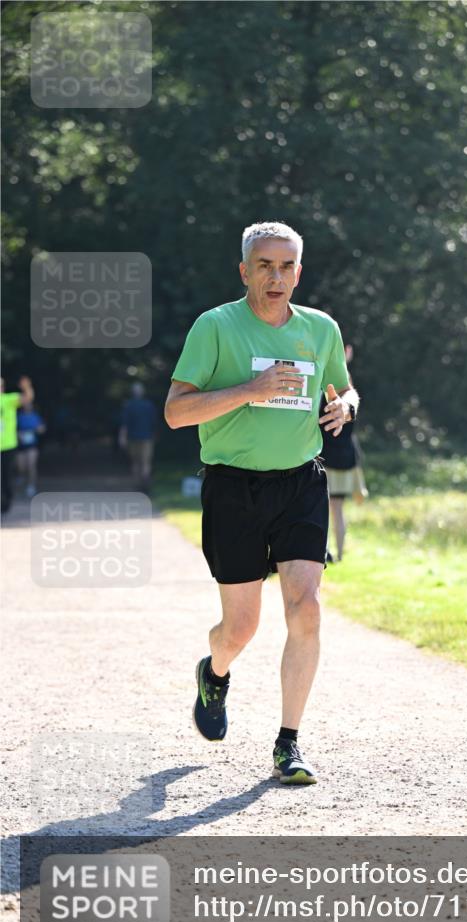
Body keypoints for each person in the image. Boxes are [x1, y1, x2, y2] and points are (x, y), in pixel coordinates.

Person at [164, 221, 360, 785]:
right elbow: (176, 412)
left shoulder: (320, 328)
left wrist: (345, 405)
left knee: (306, 608)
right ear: (244, 271)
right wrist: (251, 391)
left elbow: (344, 387)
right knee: (241, 627)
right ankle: (215, 672)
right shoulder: (215, 326)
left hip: (300, 483)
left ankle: (288, 742)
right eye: (265, 266)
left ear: (299, 272)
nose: (276, 276)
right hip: (233, 488)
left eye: (286, 266)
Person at [319, 344, 368, 562]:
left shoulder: (328, 402)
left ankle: (325, 551)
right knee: (338, 510)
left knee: (322, 509)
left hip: (327, 459)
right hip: (346, 459)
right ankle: (338, 554)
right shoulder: (350, 404)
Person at [1, 376, 35, 515]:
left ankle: (6, 502)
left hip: (8, 445)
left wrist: (27, 387)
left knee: (5, 476)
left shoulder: (9, 399)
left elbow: (28, 398)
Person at [119, 383, 158, 492]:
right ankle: (145, 486)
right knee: (146, 462)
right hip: (146, 438)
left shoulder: (128, 405)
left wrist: (122, 437)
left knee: (136, 462)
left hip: (134, 437)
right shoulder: (149, 405)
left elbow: (124, 424)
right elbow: (154, 422)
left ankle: (137, 485)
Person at [15, 401, 46, 498]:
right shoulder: (18, 417)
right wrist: (18, 434)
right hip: (21, 445)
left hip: (32, 445)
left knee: (31, 465)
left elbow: (42, 428)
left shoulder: (36, 416)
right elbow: (13, 428)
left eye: (29, 404)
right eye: (26, 404)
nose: (27, 406)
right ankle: (22, 476)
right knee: (21, 466)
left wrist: (39, 429)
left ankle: (31, 486)